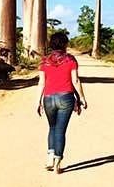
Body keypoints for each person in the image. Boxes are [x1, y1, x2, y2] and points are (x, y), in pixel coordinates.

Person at [36, 31, 87, 174]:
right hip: (66, 98)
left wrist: (37, 101)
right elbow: (75, 81)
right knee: (60, 130)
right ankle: (57, 164)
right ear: (65, 44)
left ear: (51, 45)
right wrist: (81, 98)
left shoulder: (44, 61)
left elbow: (41, 83)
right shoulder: (70, 60)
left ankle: (49, 158)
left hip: (48, 98)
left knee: (52, 128)